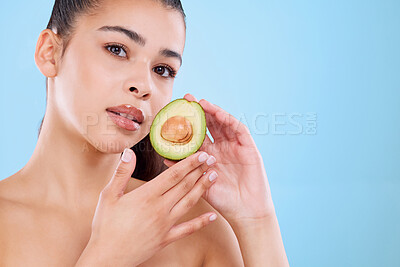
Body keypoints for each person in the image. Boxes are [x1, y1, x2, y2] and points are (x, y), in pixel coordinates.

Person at [0, 0, 289, 266]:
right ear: (49, 53)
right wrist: (107, 257)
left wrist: (257, 220)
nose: (144, 84)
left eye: (162, 69)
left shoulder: (197, 226)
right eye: (117, 49)